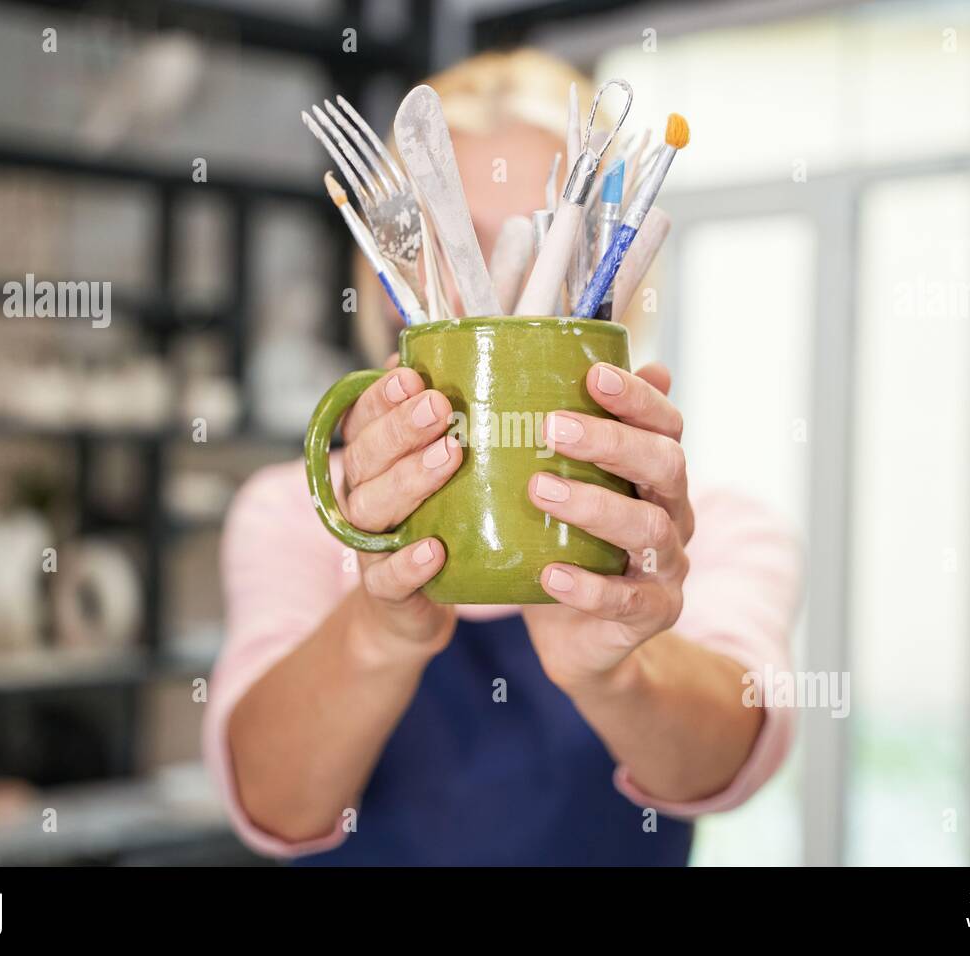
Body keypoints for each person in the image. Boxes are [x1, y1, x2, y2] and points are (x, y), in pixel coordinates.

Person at [203, 49, 800, 866]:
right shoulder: (295, 513)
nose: (502, 279)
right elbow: (273, 801)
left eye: (548, 238)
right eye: (465, 242)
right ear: (386, 279)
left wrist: (618, 670)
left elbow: (727, 760)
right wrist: (376, 631)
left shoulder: (702, 529)